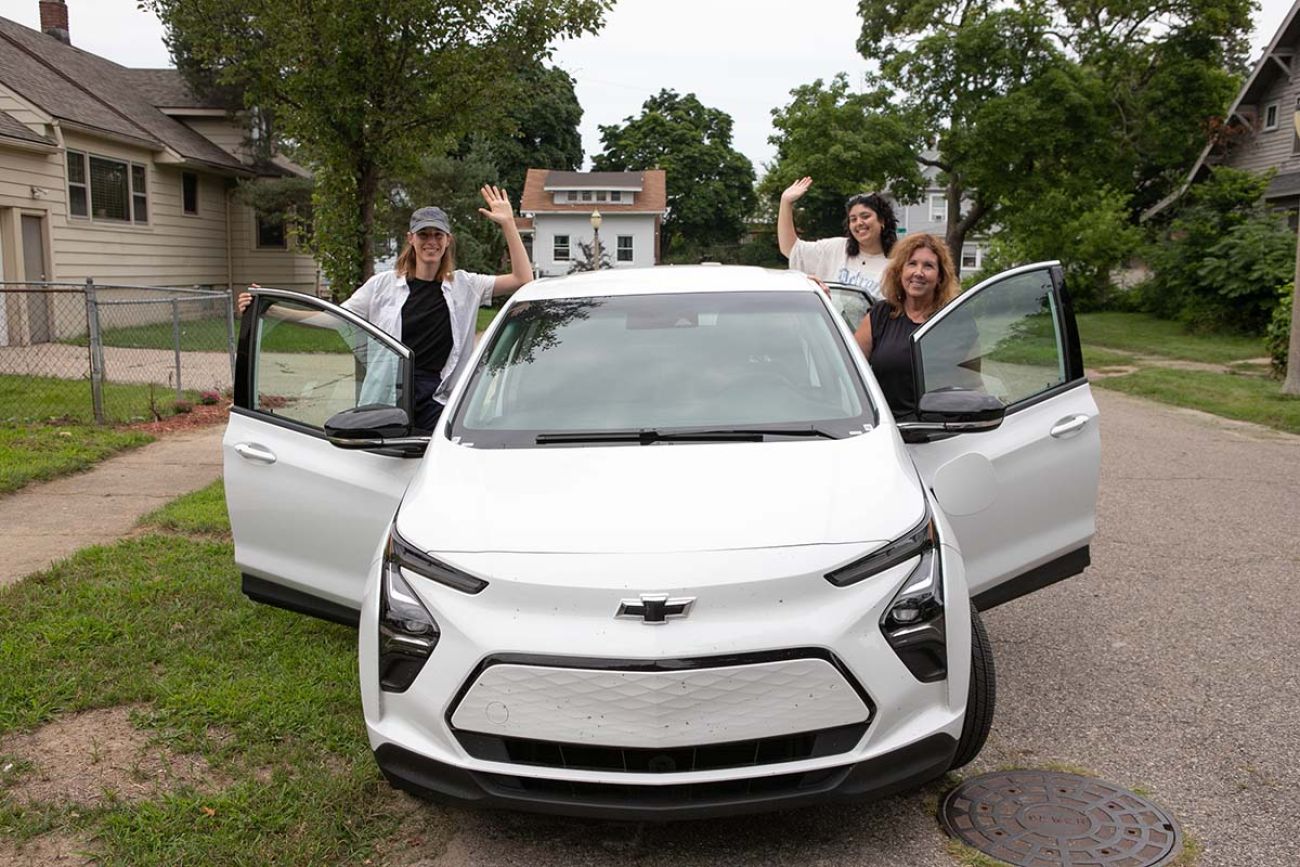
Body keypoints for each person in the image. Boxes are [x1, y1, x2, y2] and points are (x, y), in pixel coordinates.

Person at [239, 185, 532, 430]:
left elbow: (522, 278)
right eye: (424, 235)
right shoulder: (382, 286)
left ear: (447, 241)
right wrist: (268, 309)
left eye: (437, 235)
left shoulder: (465, 285)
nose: (431, 241)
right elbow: (332, 320)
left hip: (440, 395)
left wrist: (508, 223)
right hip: (389, 391)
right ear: (411, 239)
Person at [853, 232, 961, 419]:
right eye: (912, 264)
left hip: (940, 435)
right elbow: (849, 371)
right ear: (900, 271)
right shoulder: (880, 315)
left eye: (928, 266)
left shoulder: (955, 322)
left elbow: (971, 385)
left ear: (940, 277)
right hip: (888, 432)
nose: (918, 273)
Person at [777, 177, 898, 300]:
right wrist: (785, 202)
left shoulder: (898, 263)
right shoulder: (836, 248)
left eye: (865, 216)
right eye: (853, 219)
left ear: (882, 220)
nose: (859, 223)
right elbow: (790, 248)